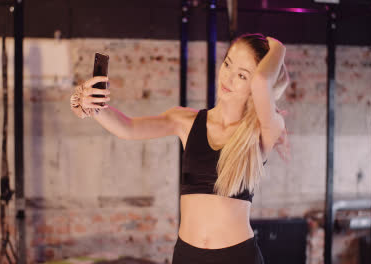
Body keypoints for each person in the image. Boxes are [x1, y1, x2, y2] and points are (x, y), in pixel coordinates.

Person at [70, 32, 290, 264]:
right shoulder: (185, 121)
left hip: (237, 257)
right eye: (227, 64)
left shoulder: (263, 131)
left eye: (242, 76)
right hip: (188, 255)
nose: (228, 78)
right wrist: (92, 106)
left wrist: (279, 49)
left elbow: (262, 82)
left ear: (255, 87)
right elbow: (129, 128)